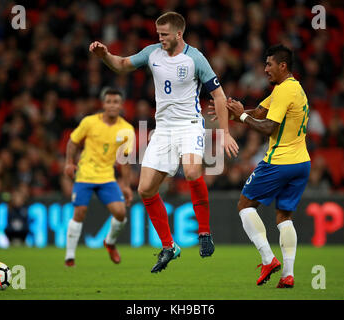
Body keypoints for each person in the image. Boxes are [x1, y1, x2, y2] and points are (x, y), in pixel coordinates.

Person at [89, 11, 239, 273]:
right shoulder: (152, 53)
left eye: (164, 35)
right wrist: (105, 56)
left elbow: (218, 95)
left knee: (192, 171)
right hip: (163, 130)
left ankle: (204, 232)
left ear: (179, 34)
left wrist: (225, 132)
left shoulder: (195, 59)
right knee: (145, 190)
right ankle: (169, 246)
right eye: (158, 34)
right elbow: (122, 64)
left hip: (190, 125)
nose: (160, 39)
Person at [209, 44, 311, 288]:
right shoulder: (291, 89)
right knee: (284, 216)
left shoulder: (284, 90)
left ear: (282, 65)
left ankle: (268, 259)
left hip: (280, 162)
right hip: (302, 163)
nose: (265, 69)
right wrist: (233, 113)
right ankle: (288, 275)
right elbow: (260, 112)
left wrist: (242, 117)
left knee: (244, 205)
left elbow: (267, 127)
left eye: (269, 64)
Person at [64, 88, 135, 266]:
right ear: (103, 104)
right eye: (109, 101)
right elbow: (73, 142)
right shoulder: (89, 122)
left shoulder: (126, 129)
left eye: (115, 102)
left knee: (120, 213)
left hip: (106, 177)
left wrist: (126, 185)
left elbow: (124, 160)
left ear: (121, 105)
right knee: (79, 212)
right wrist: (68, 162)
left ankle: (110, 242)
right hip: (85, 174)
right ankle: (70, 256)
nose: (112, 105)